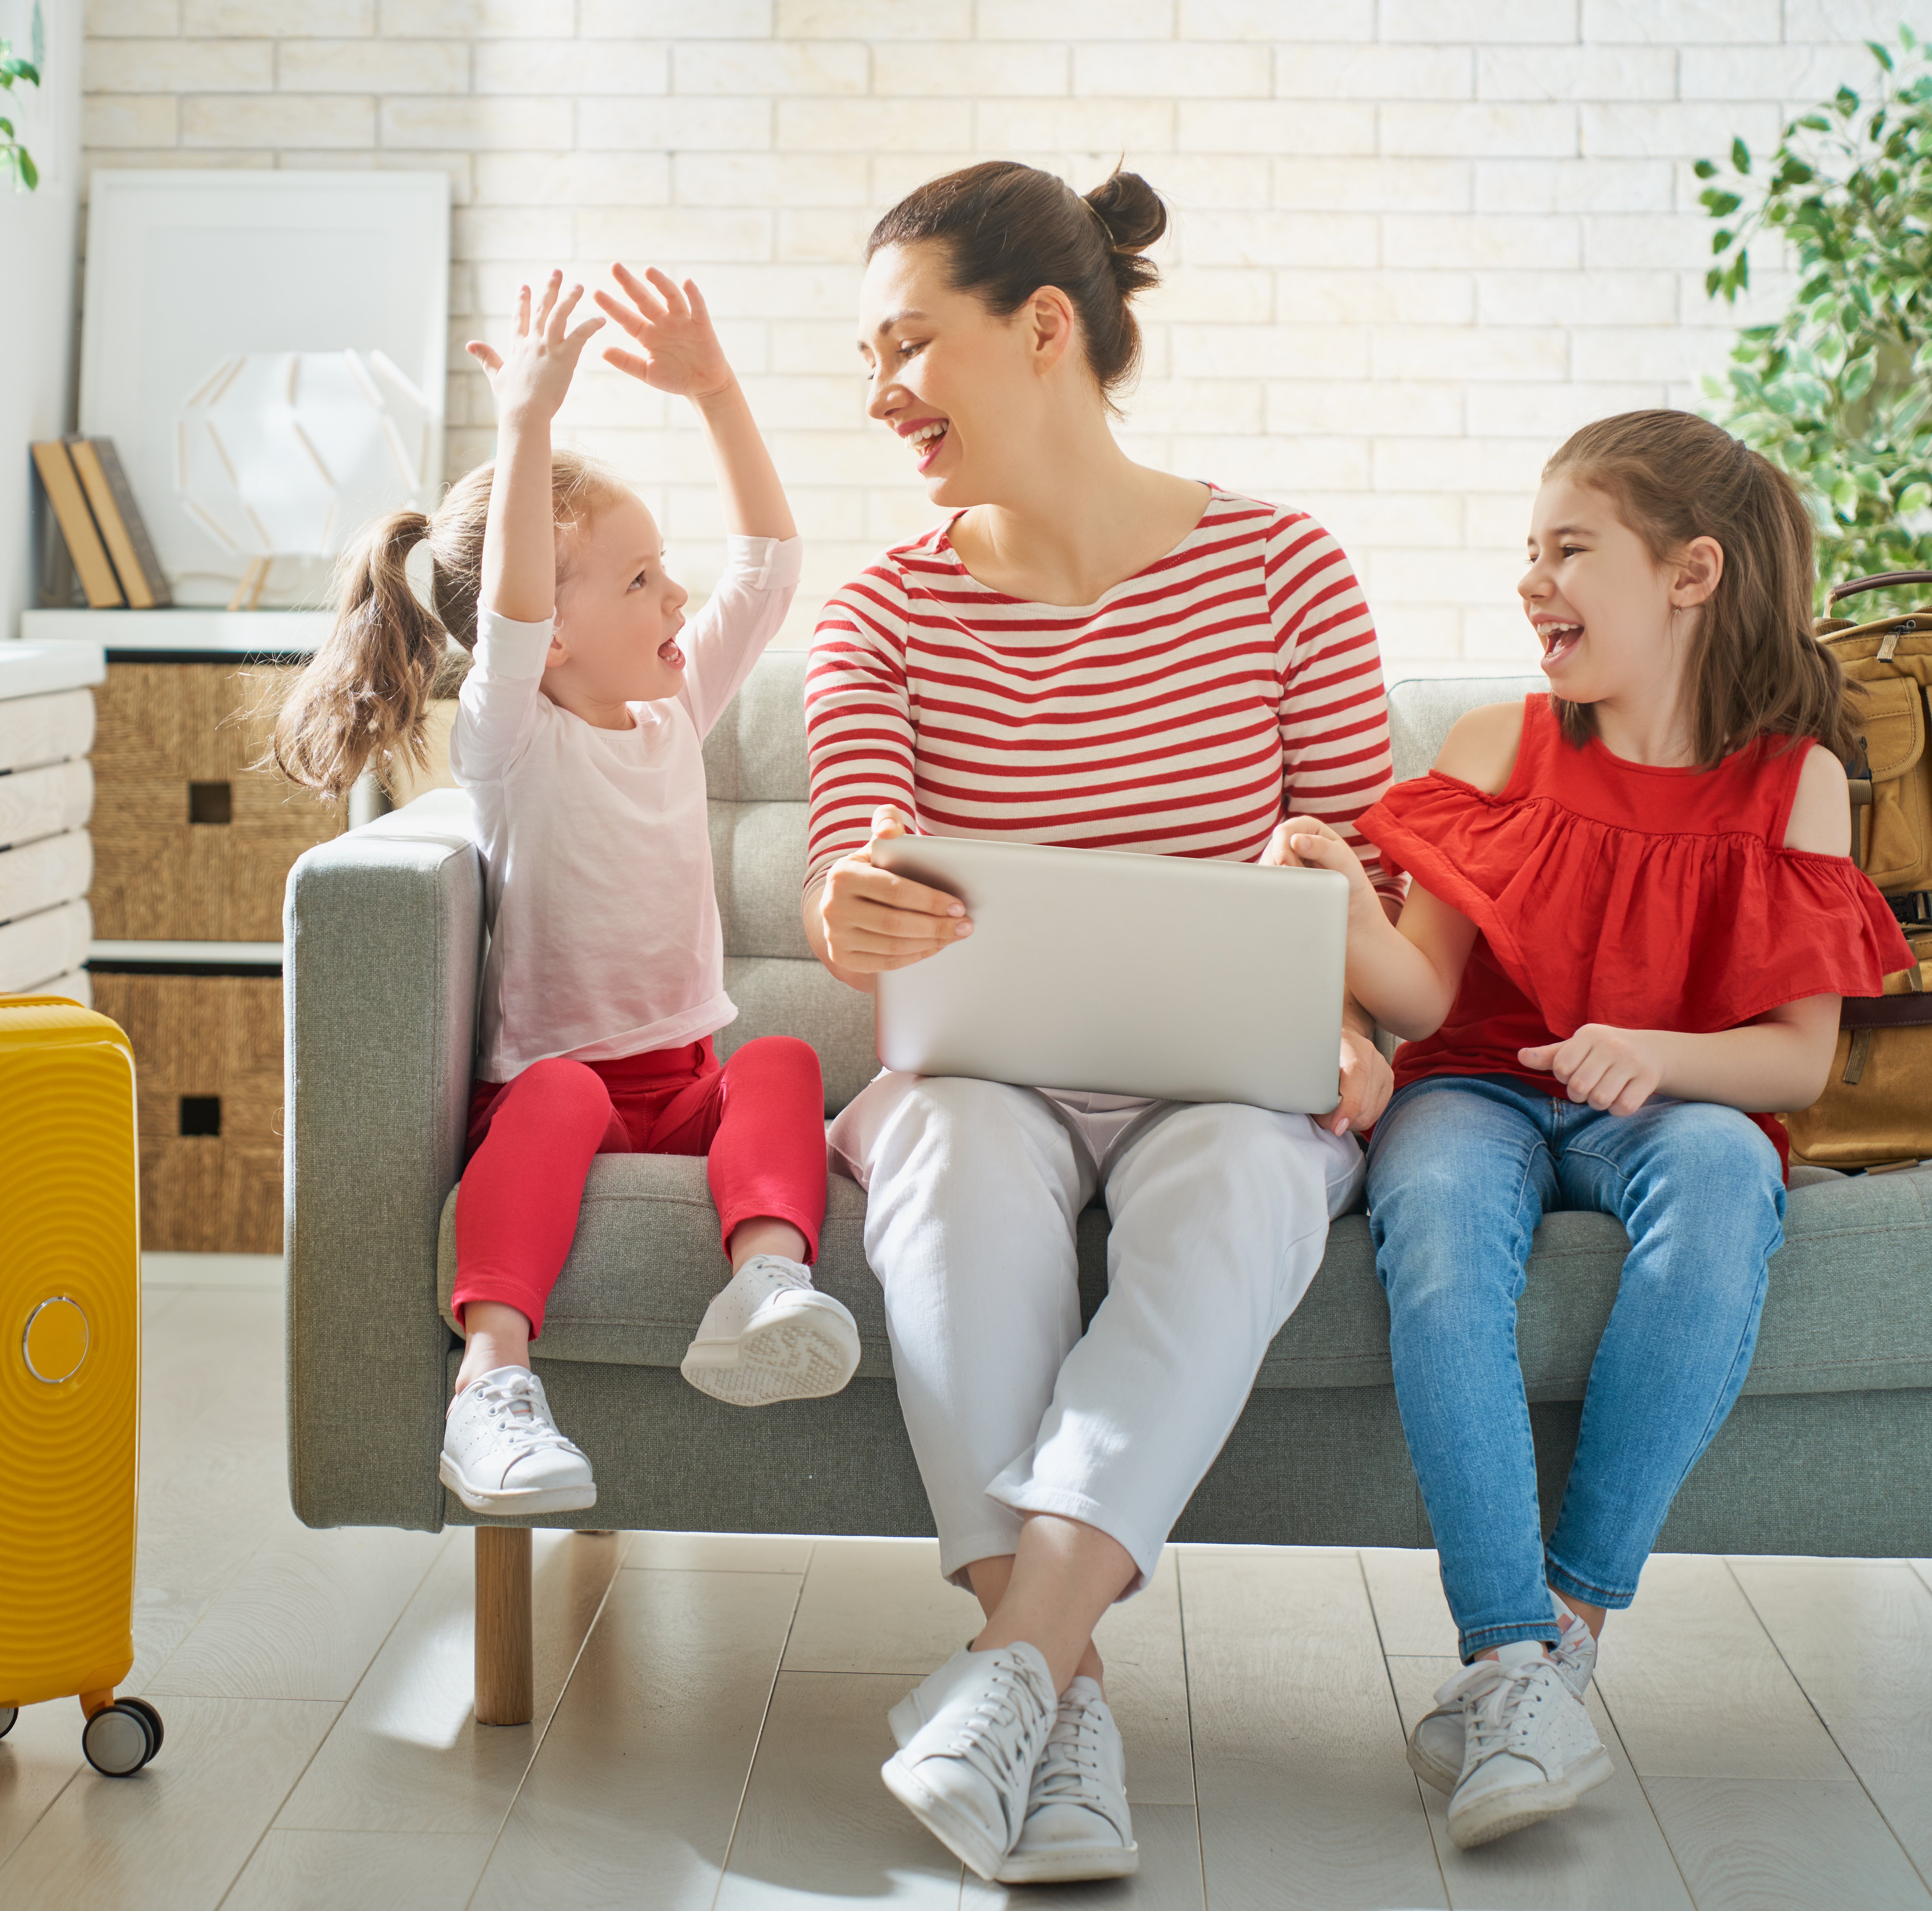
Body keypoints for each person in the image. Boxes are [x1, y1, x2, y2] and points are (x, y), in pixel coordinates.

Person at [806, 161, 1402, 1887]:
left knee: (1243, 1173)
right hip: (986, 1073)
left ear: (1044, 327)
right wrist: (844, 904)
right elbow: (857, 842)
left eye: (910, 345)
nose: (881, 396)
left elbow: (1376, 875)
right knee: (949, 1143)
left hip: (1223, 1078)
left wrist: (1356, 1007)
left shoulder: (1284, 573)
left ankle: (1014, 1674)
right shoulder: (882, 613)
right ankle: (1055, 1702)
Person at [1273, 410, 1913, 1849]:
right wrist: (1333, 896)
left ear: (1689, 574)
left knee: (1722, 1194)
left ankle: (1559, 1634)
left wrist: (1654, 1056)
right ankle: (1509, 1658)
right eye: (1528, 551)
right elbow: (1420, 989)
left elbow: (1796, 1063)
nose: (1531, 581)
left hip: (1678, 1094)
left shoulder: (1794, 779)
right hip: (1476, 1085)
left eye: (1569, 551)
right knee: (1431, 1229)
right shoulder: (1499, 740)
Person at [270, 266, 853, 1519]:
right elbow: (517, 613)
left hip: (681, 1078)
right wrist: (528, 423)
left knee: (783, 1065)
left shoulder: (672, 705)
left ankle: (762, 1282)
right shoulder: (510, 734)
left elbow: (768, 566)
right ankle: (490, 1391)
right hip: (559, 1087)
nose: (675, 596)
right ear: (554, 624)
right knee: (556, 1093)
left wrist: (716, 392)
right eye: (639, 579)